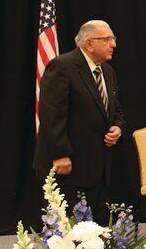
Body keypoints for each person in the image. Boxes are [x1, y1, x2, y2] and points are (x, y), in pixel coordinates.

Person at [35, 20, 125, 225]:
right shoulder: (62, 67)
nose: (114, 44)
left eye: (113, 38)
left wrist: (118, 128)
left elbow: (116, 111)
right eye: (107, 39)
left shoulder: (108, 72)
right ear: (89, 43)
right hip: (68, 168)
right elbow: (51, 115)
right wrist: (60, 154)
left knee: (97, 232)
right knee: (70, 233)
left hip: (99, 167)